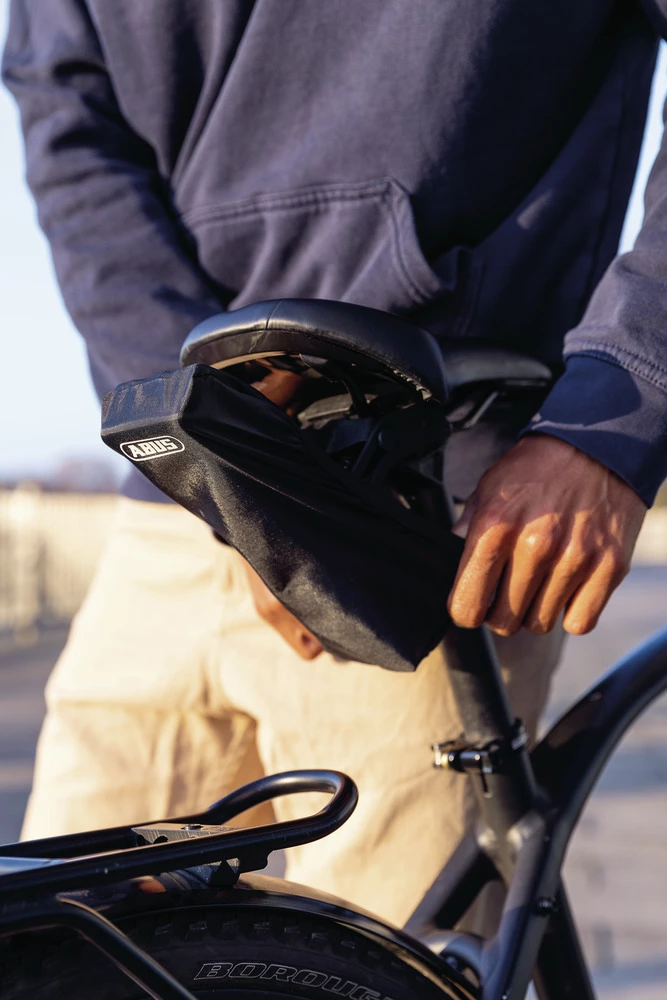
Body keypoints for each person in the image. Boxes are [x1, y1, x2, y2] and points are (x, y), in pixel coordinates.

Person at [2, 0, 663, 929]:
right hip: (174, 506)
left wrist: (617, 402)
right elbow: (67, 115)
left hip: (416, 496)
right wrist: (232, 464)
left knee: (388, 966)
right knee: (52, 946)